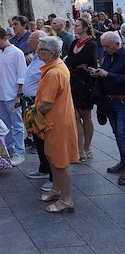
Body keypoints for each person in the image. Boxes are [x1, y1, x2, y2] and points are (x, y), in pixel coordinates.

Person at [35, 36, 78, 213]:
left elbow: (47, 104)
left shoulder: (54, 72)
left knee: (59, 162)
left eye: (41, 49)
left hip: (56, 122)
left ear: (51, 53)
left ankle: (66, 200)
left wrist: (31, 114)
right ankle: (56, 189)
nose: (37, 51)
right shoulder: (57, 66)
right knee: (52, 157)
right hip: (55, 121)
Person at [90, 32, 125, 185]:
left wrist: (107, 74)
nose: (104, 49)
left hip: (121, 101)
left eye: (107, 46)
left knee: (123, 135)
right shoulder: (109, 55)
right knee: (118, 134)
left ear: (117, 44)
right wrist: (97, 73)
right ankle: (123, 162)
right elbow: (106, 73)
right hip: (109, 101)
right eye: (103, 46)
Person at [0, 27, 27, 167]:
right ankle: (9, 149)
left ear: (5, 38)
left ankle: (19, 151)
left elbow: (21, 76)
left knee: (17, 124)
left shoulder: (17, 53)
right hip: (0, 93)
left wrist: (18, 95)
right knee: (5, 125)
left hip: (12, 93)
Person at [23, 31, 53, 191]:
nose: (28, 42)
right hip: (32, 103)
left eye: (32, 40)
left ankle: (53, 176)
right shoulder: (35, 58)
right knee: (37, 138)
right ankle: (43, 168)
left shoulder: (50, 65)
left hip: (41, 104)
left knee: (46, 140)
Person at [64, 18, 97, 162]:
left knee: (86, 115)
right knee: (75, 116)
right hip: (73, 80)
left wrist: (75, 62)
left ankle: (87, 146)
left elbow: (88, 61)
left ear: (85, 28)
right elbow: (70, 60)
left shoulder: (91, 44)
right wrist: (76, 63)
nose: (75, 27)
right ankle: (79, 149)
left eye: (77, 26)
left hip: (85, 82)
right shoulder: (74, 43)